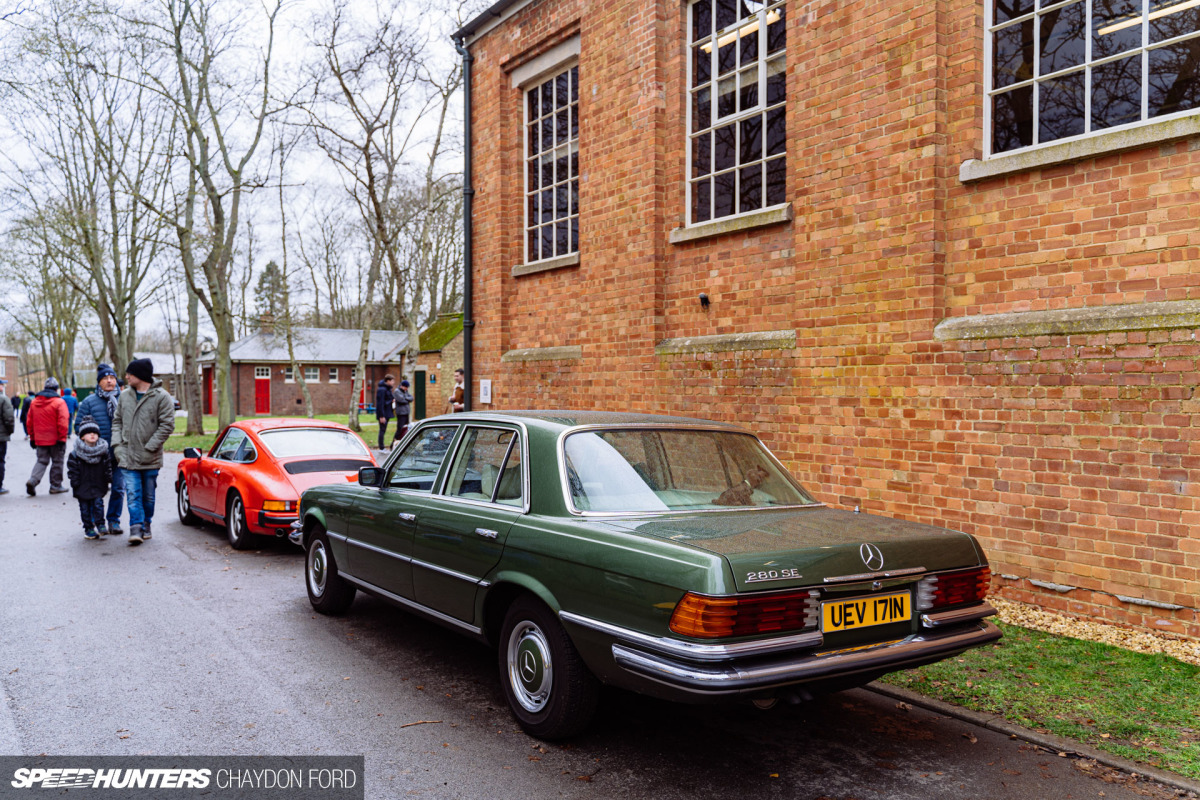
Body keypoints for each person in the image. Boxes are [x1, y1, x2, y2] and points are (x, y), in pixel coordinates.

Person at [111, 358, 175, 546]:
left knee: (148, 496)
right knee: (133, 493)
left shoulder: (161, 397)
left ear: (140, 375)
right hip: (127, 456)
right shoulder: (124, 396)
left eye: (129, 374)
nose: (126, 377)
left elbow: (167, 425)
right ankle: (136, 527)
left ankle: (146, 522)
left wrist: (150, 446)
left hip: (150, 457)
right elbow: (117, 421)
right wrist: (117, 446)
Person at [75, 364, 125, 535]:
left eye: (112, 378)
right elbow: (78, 426)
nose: (110, 381)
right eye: (105, 378)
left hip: (119, 453)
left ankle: (114, 521)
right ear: (99, 382)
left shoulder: (124, 399)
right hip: (97, 457)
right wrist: (92, 442)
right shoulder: (89, 402)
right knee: (95, 491)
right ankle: (94, 523)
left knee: (118, 488)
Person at [67, 415, 111, 540]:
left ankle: (101, 524)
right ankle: (88, 528)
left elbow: (107, 466)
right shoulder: (76, 454)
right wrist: (75, 482)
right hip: (82, 485)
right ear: (82, 436)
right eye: (89, 433)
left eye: (95, 433)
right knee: (85, 508)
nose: (92, 435)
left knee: (98, 504)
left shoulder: (103, 451)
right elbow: (72, 469)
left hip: (98, 483)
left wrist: (108, 478)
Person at [25, 377, 70, 495]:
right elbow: (63, 421)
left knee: (41, 461)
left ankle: (33, 480)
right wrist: (62, 438)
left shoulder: (34, 402)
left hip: (40, 439)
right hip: (56, 439)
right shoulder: (59, 402)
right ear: (56, 389)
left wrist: (32, 438)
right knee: (57, 462)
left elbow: (29, 421)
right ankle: (55, 486)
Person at [375, 374, 396, 450]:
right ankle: (381, 447)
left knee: (383, 430)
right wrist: (381, 416)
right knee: (382, 430)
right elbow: (380, 403)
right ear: (388, 381)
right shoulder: (382, 390)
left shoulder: (388, 389)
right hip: (384, 413)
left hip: (387, 412)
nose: (393, 382)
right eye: (392, 381)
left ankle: (382, 447)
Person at [0, 380, 13, 494]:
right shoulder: (3, 400)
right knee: (0, 461)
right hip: (1, 437)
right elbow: (9, 418)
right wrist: (9, 432)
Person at [391, 379, 413, 448]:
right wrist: (407, 399)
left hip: (406, 412)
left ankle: (402, 443)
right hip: (401, 413)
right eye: (406, 387)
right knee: (400, 429)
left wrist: (405, 398)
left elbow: (411, 398)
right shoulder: (397, 391)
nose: (407, 389)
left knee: (406, 428)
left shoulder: (405, 391)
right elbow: (401, 400)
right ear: (402, 386)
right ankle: (393, 444)